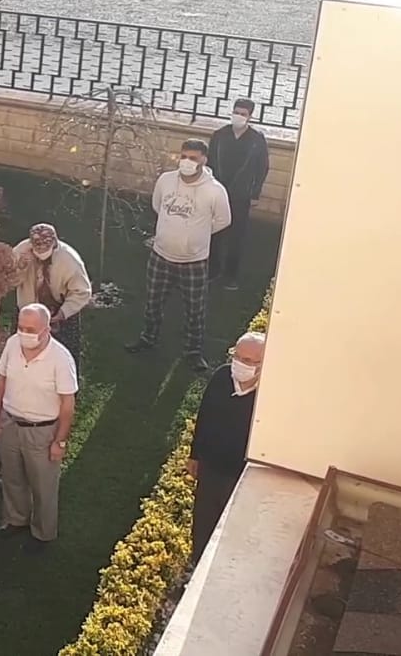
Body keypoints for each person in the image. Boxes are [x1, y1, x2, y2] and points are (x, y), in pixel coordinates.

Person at [126, 140, 232, 369]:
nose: (187, 162)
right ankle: (148, 338)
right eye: (184, 156)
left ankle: (193, 351)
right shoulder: (165, 180)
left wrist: (197, 235)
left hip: (193, 261)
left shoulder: (215, 190)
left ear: (204, 160)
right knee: (153, 301)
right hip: (160, 255)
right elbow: (157, 205)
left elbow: (224, 220)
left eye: (193, 158)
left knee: (195, 309)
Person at [0, 304, 77, 553]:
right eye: (21, 327)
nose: (24, 334)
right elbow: (2, 381)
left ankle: (43, 533)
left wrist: (59, 441)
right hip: (10, 423)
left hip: (42, 430)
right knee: (12, 476)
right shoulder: (12, 344)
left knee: (43, 484)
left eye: (31, 329)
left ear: (46, 329)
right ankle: (16, 519)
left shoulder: (61, 359)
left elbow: (68, 404)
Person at [188, 332, 266, 562]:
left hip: (241, 474)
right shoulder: (222, 376)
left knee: (235, 528)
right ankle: (197, 563)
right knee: (203, 522)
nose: (240, 364)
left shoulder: (268, 393)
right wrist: (195, 455)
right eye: (237, 356)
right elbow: (205, 415)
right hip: (211, 467)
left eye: (249, 361)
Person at [207, 99, 270, 291]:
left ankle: (230, 275)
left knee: (237, 236)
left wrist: (255, 193)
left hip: (241, 194)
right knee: (215, 231)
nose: (238, 116)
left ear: (250, 116)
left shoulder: (256, 139)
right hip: (218, 190)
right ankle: (212, 270)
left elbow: (262, 167)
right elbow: (210, 163)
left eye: (243, 114)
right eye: (236, 112)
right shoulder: (220, 135)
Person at [10, 223, 92, 368]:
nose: (41, 256)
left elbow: (82, 292)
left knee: (64, 359)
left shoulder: (70, 259)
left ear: (54, 244)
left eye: (46, 252)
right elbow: (8, 282)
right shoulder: (20, 252)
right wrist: (21, 268)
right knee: (21, 355)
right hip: (28, 312)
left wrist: (62, 313)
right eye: (38, 252)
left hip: (61, 311)